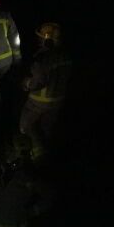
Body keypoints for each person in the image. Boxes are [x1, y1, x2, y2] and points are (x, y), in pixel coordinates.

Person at [18, 22, 72, 164]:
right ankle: (49, 158)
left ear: (48, 40)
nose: (39, 41)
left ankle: (37, 157)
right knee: (46, 129)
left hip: (38, 101)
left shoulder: (42, 59)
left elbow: (38, 82)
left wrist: (26, 83)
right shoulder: (66, 56)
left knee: (26, 126)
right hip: (58, 101)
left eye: (41, 38)